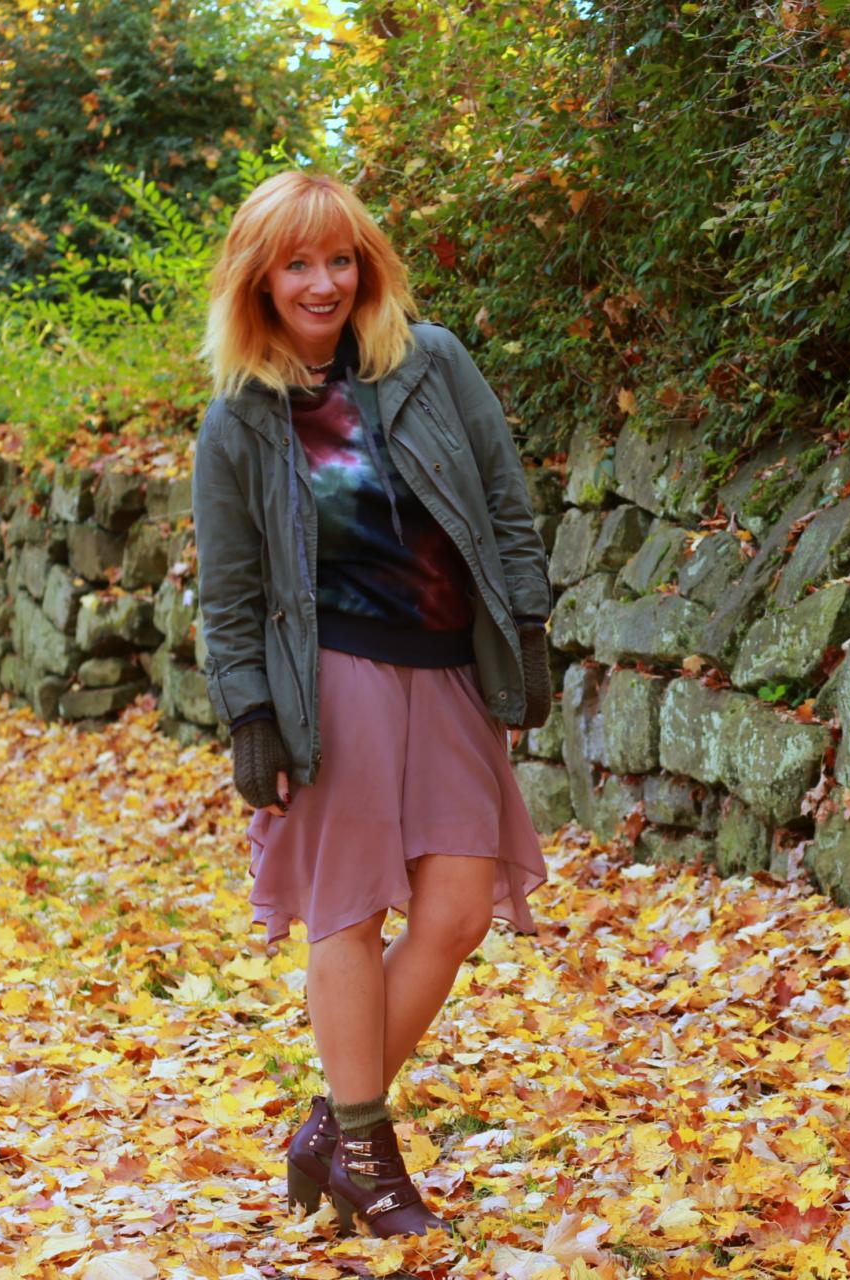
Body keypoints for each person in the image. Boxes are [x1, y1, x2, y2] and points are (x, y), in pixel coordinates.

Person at [190, 169, 554, 1238]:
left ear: (366, 264)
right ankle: (367, 1149)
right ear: (259, 278)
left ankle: (330, 1124)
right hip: (332, 678)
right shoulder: (239, 423)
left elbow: (503, 502)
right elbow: (232, 593)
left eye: (339, 258)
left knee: (453, 909)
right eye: (297, 263)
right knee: (346, 910)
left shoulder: (431, 362)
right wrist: (250, 713)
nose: (322, 281)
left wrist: (525, 629)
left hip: (446, 669)